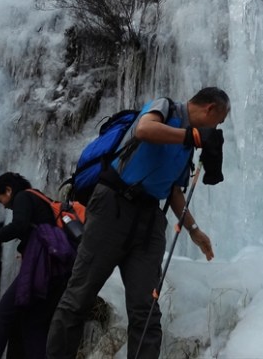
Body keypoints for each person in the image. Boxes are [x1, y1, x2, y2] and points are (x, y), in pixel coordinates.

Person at [46, 87, 231, 359]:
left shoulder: (186, 148)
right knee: (79, 296)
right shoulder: (165, 107)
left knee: (146, 309)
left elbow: (174, 191)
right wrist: (190, 136)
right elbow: (145, 129)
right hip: (113, 205)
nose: (216, 129)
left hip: (149, 221)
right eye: (219, 121)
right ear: (210, 109)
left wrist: (194, 230)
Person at [0, 172, 74, 359]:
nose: (6, 207)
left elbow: (19, 226)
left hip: (44, 268)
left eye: (3, 201)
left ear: (8, 190)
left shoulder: (23, 196)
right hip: (58, 270)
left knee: (3, 314)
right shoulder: (40, 199)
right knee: (33, 322)